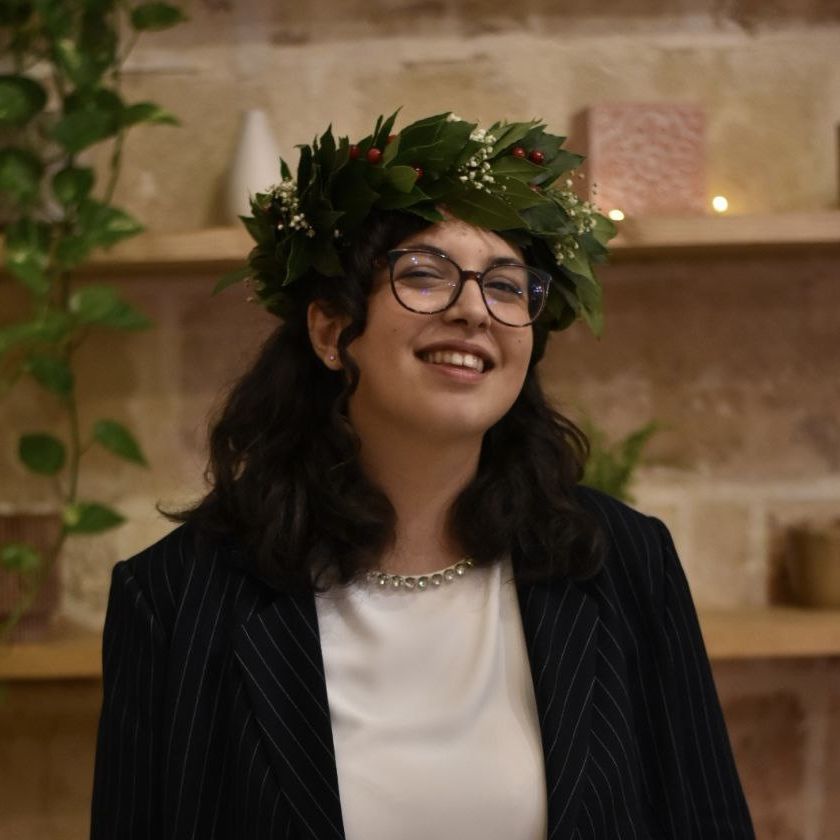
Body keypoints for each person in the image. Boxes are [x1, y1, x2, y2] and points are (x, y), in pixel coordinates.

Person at [90, 111, 755, 839]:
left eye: (507, 287)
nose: (473, 310)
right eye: (424, 275)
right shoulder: (175, 596)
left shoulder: (625, 562)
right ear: (330, 330)